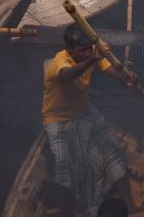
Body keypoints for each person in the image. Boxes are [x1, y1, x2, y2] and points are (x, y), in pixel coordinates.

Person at [42, 24, 136, 216]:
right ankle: (68, 212)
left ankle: (130, 205)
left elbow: (112, 70)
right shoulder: (59, 62)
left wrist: (127, 78)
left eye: (88, 49)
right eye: (81, 50)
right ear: (70, 49)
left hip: (84, 111)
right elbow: (67, 75)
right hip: (57, 119)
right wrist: (93, 57)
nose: (85, 53)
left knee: (112, 148)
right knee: (63, 165)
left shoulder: (92, 50)